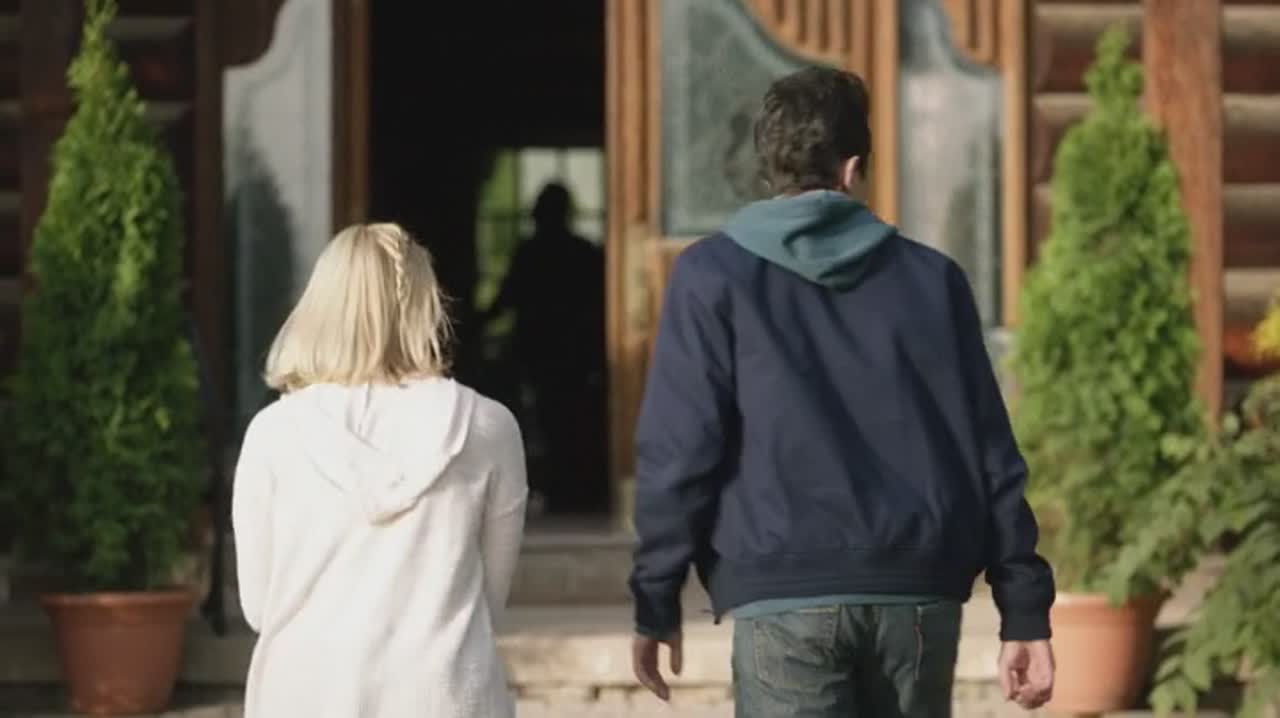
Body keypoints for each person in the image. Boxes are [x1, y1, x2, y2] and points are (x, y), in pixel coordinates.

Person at [628, 67, 1056, 716]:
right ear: (853, 169)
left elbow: (680, 450)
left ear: (768, 168)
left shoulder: (710, 276)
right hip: (917, 596)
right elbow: (990, 453)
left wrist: (655, 599)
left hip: (783, 597)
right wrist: (1023, 610)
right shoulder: (934, 280)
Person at [233, 223, 528, 718]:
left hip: (303, 694)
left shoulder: (273, 434)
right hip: (444, 695)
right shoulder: (489, 427)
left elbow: (259, 606)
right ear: (425, 306)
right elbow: (489, 600)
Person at [481, 183, 607, 514]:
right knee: (568, 421)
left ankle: (561, 490)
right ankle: (571, 491)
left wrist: (475, 326)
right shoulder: (582, 252)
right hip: (569, 352)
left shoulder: (533, 252)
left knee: (552, 422)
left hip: (546, 351)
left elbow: (505, 299)